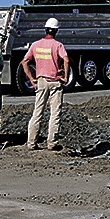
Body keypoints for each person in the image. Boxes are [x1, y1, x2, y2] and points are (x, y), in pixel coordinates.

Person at [22, 18, 69, 151]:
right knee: (55, 113)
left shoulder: (36, 45)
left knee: (37, 112)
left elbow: (24, 61)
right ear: (56, 30)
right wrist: (65, 77)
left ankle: (31, 143)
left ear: (45, 29)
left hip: (41, 81)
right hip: (55, 82)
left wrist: (31, 79)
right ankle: (51, 143)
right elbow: (66, 60)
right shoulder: (58, 45)